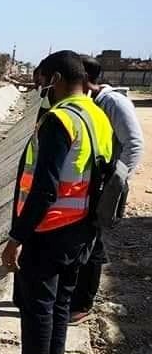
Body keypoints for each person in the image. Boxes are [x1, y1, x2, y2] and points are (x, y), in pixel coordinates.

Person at [0, 50, 113, 354]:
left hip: (50, 227)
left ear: (56, 79)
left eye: (43, 83)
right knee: (60, 304)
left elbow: (44, 188)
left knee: (37, 305)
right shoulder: (97, 116)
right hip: (82, 227)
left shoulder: (60, 119)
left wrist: (16, 238)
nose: (42, 90)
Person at [68, 56, 145, 322]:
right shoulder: (93, 102)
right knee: (85, 239)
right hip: (92, 184)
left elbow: (134, 145)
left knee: (93, 243)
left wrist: (116, 184)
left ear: (83, 79)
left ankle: (83, 303)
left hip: (106, 185)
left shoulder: (113, 102)